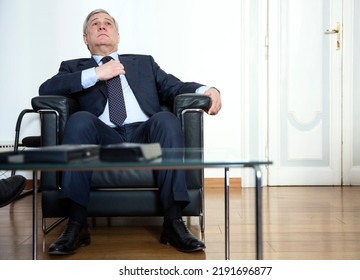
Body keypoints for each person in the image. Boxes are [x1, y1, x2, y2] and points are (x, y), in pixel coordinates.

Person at [39, 9, 222, 255]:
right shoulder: (73, 68)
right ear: (85, 38)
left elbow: (174, 86)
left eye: (108, 23)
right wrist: (96, 74)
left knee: (166, 119)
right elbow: (46, 89)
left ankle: (173, 222)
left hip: (144, 134)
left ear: (117, 35)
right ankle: (76, 224)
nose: (102, 27)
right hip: (101, 137)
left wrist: (207, 90)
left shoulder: (143, 63)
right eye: (95, 24)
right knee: (80, 119)